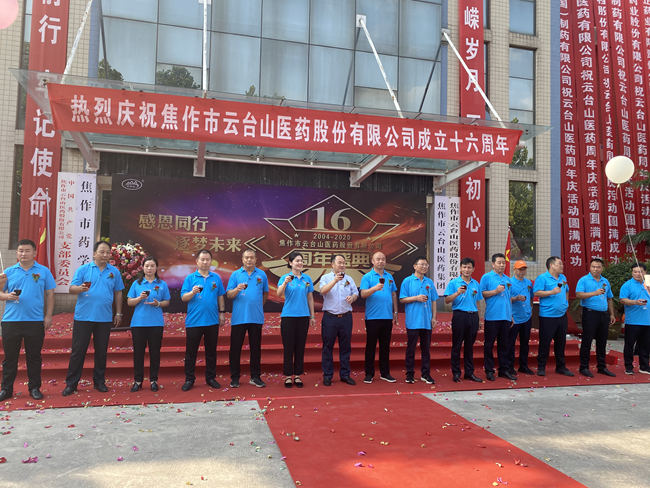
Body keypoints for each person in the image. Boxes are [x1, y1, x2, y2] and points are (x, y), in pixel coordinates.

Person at [62, 241, 125, 396]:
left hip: (104, 317)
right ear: (94, 253)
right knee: (78, 351)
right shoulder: (83, 269)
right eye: (102, 252)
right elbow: (71, 289)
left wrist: (118, 313)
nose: (105, 255)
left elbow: (118, 292)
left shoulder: (114, 272)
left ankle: (99, 382)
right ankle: (71, 384)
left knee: (101, 352)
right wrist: (80, 288)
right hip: (83, 317)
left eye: (108, 252)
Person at [0, 239, 55, 401]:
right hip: (11, 321)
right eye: (20, 251)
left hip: (35, 321)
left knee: (34, 357)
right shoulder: (8, 272)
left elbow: (50, 294)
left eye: (27, 250)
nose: (23, 254)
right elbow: (0, 293)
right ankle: (6, 389)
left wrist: (48, 316)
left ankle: (34, 388)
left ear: (34, 252)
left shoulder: (44, 271)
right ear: (17, 253)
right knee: (10, 358)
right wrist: (7, 296)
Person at [180, 249, 225, 391]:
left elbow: (220, 296)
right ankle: (189, 379)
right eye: (202, 259)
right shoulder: (190, 278)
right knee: (191, 352)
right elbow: (183, 298)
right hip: (194, 321)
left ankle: (210, 378)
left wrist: (222, 313)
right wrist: (192, 292)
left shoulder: (216, 278)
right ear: (197, 261)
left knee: (211, 352)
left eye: (207, 259)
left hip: (212, 321)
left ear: (211, 261)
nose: (205, 262)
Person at [126, 256, 171, 392]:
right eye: (147, 266)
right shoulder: (137, 284)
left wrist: (158, 303)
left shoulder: (162, 284)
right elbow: (129, 302)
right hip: (138, 323)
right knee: (138, 353)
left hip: (156, 323)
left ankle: (153, 380)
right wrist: (139, 298)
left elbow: (167, 301)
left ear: (156, 268)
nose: (149, 268)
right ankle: (138, 380)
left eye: (152, 266)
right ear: (143, 268)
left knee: (155, 353)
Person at [226, 250, 269, 388]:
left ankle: (255, 377)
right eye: (246, 258)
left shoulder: (262, 274)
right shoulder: (235, 274)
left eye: (251, 258)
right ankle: (234, 378)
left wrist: (257, 306)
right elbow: (229, 295)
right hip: (239, 317)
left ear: (256, 259)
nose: (249, 260)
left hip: (256, 317)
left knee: (255, 349)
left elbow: (265, 293)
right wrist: (237, 289)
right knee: (235, 349)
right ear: (242, 259)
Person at [277, 251, 316, 388]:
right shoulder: (285, 278)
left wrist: (312, 316)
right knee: (288, 347)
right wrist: (285, 283)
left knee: (300, 347)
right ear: (290, 263)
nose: (300, 263)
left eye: (301, 260)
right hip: (288, 316)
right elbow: (279, 294)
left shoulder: (307, 278)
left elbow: (310, 297)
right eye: (297, 261)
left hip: (303, 317)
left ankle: (298, 375)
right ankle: (288, 376)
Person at [319, 254, 359, 386]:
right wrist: (335, 280)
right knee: (327, 347)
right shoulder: (325, 278)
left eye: (344, 263)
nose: (342, 265)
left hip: (346, 317)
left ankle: (345, 375)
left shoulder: (349, 279)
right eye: (339, 262)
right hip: (330, 317)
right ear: (332, 264)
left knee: (345, 347)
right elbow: (323, 291)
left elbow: (356, 293)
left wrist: (352, 298)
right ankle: (327, 375)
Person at [360, 251, 399, 384]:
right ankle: (369, 373)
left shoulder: (389, 276)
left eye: (383, 259)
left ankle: (385, 373)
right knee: (371, 346)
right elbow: (363, 294)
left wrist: (395, 312)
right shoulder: (367, 277)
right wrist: (375, 288)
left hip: (387, 316)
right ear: (372, 261)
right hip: (372, 317)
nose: (381, 261)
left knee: (385, 346)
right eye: (378, 259)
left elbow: (393, 294)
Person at [533, 256, 574, 377]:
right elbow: (536, 292)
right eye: (559, 264)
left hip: (562, 316)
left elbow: (566, 290)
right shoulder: (542, 278)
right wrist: (551, 292)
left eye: (562, 264)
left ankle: (561, 367)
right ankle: (541, 367)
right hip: (548, 317)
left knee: (561, 343)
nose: (562, 266)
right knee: (545, 343)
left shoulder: (563, 278)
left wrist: (566, 303)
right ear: (551, 265)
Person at [444, 257, 483, 383]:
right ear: (460, 268)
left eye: (469, 267)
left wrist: (479, 319)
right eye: (464, 267)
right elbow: (447, 301)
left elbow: (478, 302)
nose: (467, 269)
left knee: (469, 346)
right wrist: (457, 293)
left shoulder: (476, 284)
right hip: (460, 316)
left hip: (473, 316)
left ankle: (469, 373)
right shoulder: (454, 283)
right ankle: (456, 373)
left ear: (473, 269)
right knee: (457, 345)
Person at [575, 258, 616, 377]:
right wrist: (594, 293)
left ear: (602, 268)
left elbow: (609, 298)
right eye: (593, 267)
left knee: (602, 341)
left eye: (598, 267)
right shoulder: (584, 280)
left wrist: (612, 314)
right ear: (590, 267)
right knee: (587, 341)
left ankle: (602, 367)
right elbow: (578, 294)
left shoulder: (605, 281)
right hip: (590, 313)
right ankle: (584, 367)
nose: (596, 269)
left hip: (603, 314)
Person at [399, 256, 438, 384]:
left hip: (426, 321)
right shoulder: (407, 281)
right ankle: (409, 374)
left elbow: (434, 300)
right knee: (411, 349)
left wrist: (434, 317)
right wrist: (416, 298)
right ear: (415, 266)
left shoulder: (429, 282)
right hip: (413, 321)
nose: (424, 267)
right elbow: (402, 299)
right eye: (421, 264)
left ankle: (425, 374)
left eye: (426, 265)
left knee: (426, 350)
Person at [480, 253, 515, 381]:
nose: (501, 265)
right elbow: (482, 294)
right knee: (489, 345)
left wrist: (511, 315)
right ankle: (489, 370)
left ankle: (503, 370)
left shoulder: (508, 279)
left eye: (503, 263)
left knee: (504, 345)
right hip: (492, 316)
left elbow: (509, 298)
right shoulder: (486, 277)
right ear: (493, 264)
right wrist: (495, 291)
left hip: (505, 316)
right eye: (499, 263)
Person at [619, 263, 650, 375]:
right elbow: (622, 300)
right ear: (632, 273)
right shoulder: (627, 285)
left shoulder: (648, 282)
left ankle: (644, 366)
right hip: (633, 321)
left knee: (646, 345)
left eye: (640, 271)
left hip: (647, 321)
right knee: (629, 345)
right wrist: (635, 302)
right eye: (635, 272)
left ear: (645, 272)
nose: (638, 274)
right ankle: (628, 367)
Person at [509, 260, 535, 375]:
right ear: (514, 270)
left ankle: (523, 366)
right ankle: (509, 366)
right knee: (510, 343)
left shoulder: (528, 283)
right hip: (514, 317)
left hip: (526, 317)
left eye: (524, 269)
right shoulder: (509, 283)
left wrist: (530, 309)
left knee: (525, 343)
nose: (522, 271)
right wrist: (516, 298)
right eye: (520, 269)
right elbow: (506, 300)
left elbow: (531, 297)